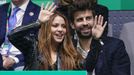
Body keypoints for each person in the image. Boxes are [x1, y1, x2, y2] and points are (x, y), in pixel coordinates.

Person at [8, 2, 82, 70]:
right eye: (55, 25)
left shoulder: (72, 56)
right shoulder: (33, 47)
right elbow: (13, 36)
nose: (60, 29)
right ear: (47, 29)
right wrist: (38, 22)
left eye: (63, 26)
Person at [68, 0, 130, 75]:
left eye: (88, 18)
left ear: (94, 20)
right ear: (72, 25)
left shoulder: (115, 47)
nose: (85, 23)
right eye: (79, 20)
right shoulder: (67, 49)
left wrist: (95, 40)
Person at [0, 0, 40, 70]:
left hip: (23, 62)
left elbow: (39, 45)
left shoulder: (39, 12)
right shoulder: (2, 9)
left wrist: (16, 59)